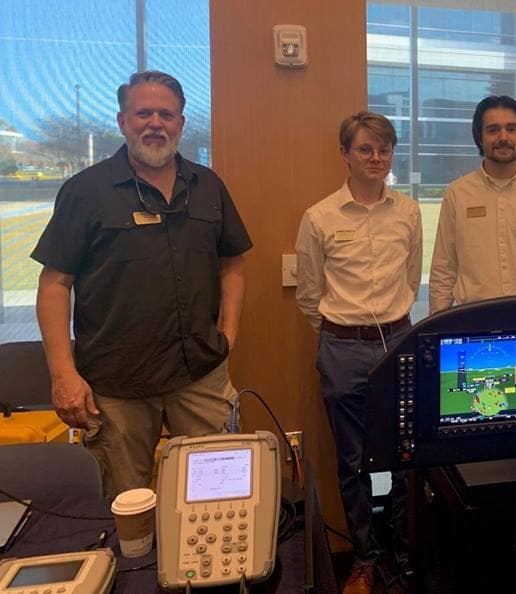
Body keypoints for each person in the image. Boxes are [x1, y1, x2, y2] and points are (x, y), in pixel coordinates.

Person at [31, 71, 252, 498]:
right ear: (122, 121)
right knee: (127, 510)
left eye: (166, 114)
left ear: (181, 124)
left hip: (199, 376)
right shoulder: (85, 191)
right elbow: (55, 284)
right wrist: (63, 375)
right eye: (143, 113)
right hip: (117, 387)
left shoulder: (208, 187)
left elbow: (233, 264)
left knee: (215, 500)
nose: (155, 123)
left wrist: (229, 334)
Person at [295, 112, 421, 594]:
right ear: (344, 153)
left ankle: (406, 550)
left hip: (399, 343)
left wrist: (389, 326)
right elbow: (310, 293)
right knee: (354, 462)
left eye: (385, 149)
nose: (376, 158)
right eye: (366, 148)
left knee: (406, 457)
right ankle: (365, 559)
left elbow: (411, 278)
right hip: (343, 348)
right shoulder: (319, 216)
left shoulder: (408, 212)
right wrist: (344, 336)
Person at [429, 95, 516, 313]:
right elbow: (444, 268)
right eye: (493, 130)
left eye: (512, 129)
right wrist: (436, 324)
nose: (503, 137)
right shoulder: (458, 194)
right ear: (480, 137)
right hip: (473, 322)